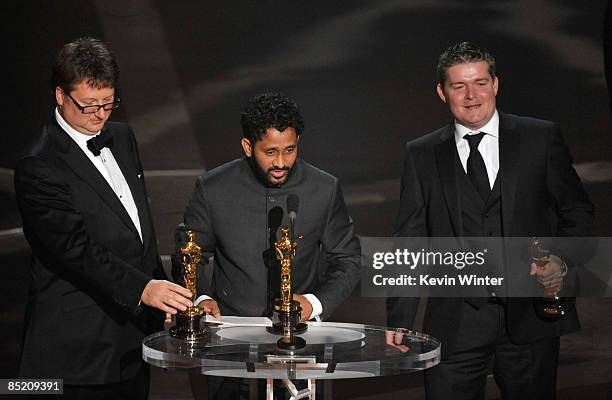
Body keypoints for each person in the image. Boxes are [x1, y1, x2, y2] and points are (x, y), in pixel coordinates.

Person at [387, 42, 594, 400]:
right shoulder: (421, 153)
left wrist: (561, 259)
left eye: (480, 83)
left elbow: (577, 210)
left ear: (495, 84)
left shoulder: (539, 138)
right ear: (442, 92)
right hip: (456, 323)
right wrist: (400, 317)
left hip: (530, 317)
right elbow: (411, 238)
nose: (472, 95)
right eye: (459, 86)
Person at [14, 37, 193, 399]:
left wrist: (169, 298)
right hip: (74, 353)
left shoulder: (122, 137)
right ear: (61, 95)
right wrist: (144, 289)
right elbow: (74, 248)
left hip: (130, 344)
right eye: (89, 106)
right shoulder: (39, 164)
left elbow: (137, 232)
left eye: (108, 105)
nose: (99, 115)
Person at [175, 92, 361, 399]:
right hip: (228, 344)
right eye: (270, 152)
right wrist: (200, 298)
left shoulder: (324, 188)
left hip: (300, 344)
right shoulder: (213, 188)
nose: (280, 162)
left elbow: (349, 258)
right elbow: (190, 252)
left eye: (289, 150)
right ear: (248, 147)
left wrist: (314, 303)